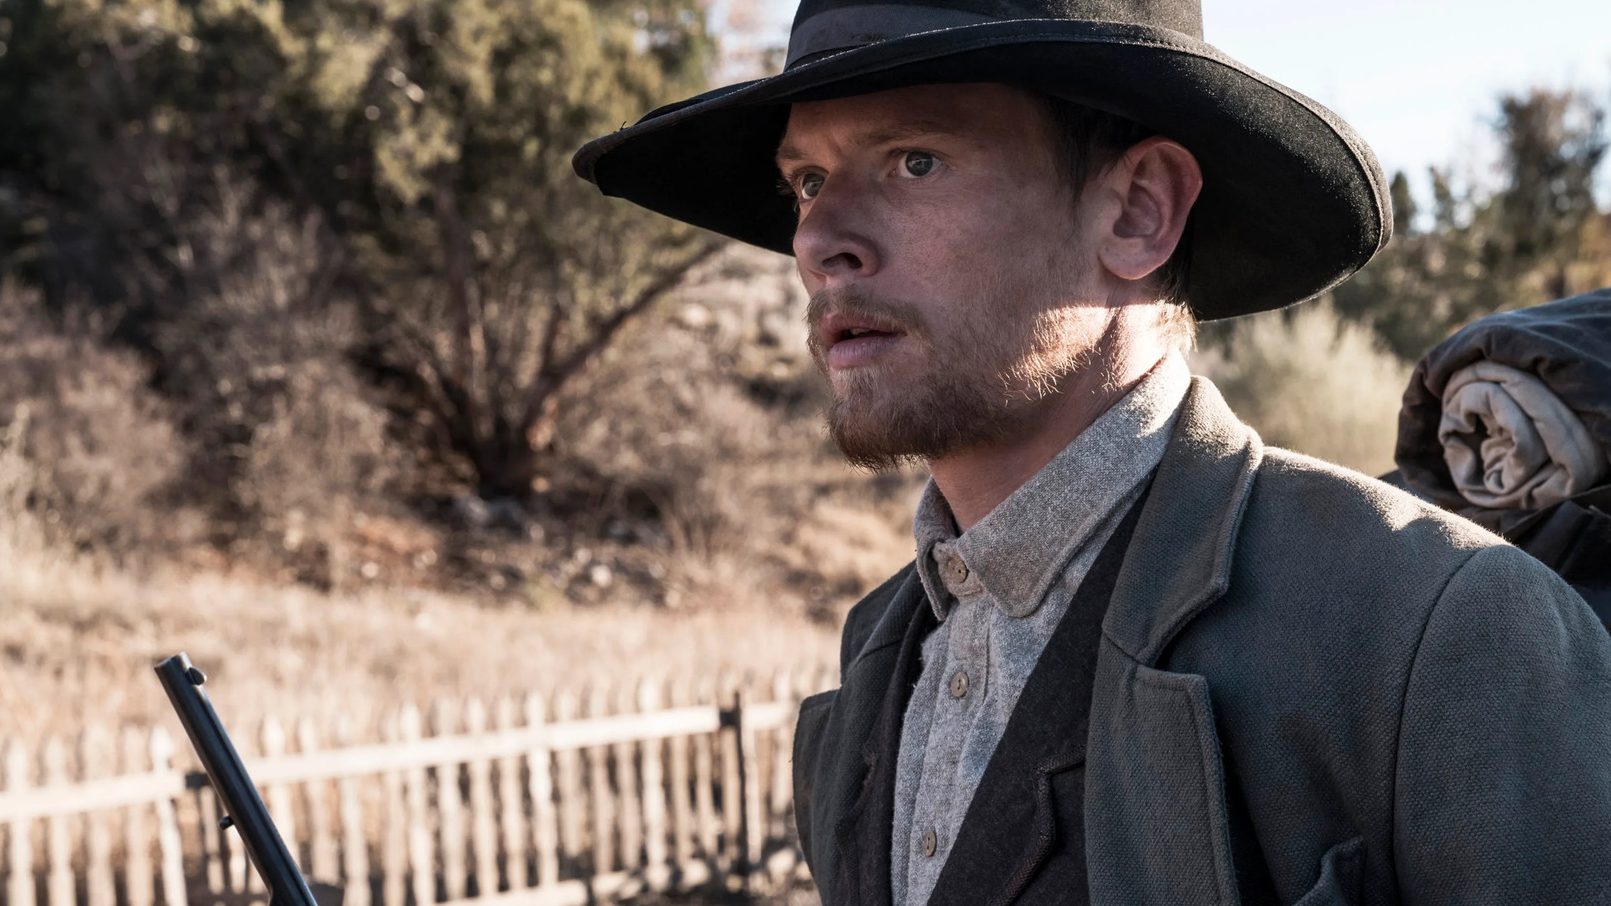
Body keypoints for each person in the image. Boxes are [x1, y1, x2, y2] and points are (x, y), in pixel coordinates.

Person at [574, 0, 1611, 902]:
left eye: (913, 160)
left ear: (1137, 210)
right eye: (805, 180)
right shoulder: (880, 650)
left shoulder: (1436, 627)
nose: (818, 238)